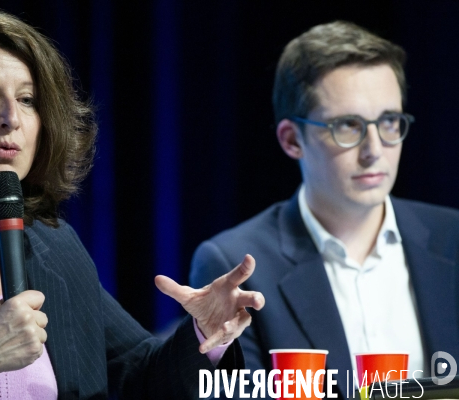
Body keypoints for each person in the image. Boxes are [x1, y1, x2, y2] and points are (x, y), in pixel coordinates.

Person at [0, 9, 265, 399]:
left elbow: (142, 373)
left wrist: (203, 332)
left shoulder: (56, 244)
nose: (10, 118)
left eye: (28, 100)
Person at [190, 21, 459, 398]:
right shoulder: (236, 266)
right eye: (347, 126)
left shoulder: (452, 240)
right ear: (291, 139)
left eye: (388, 122)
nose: (374, 150)